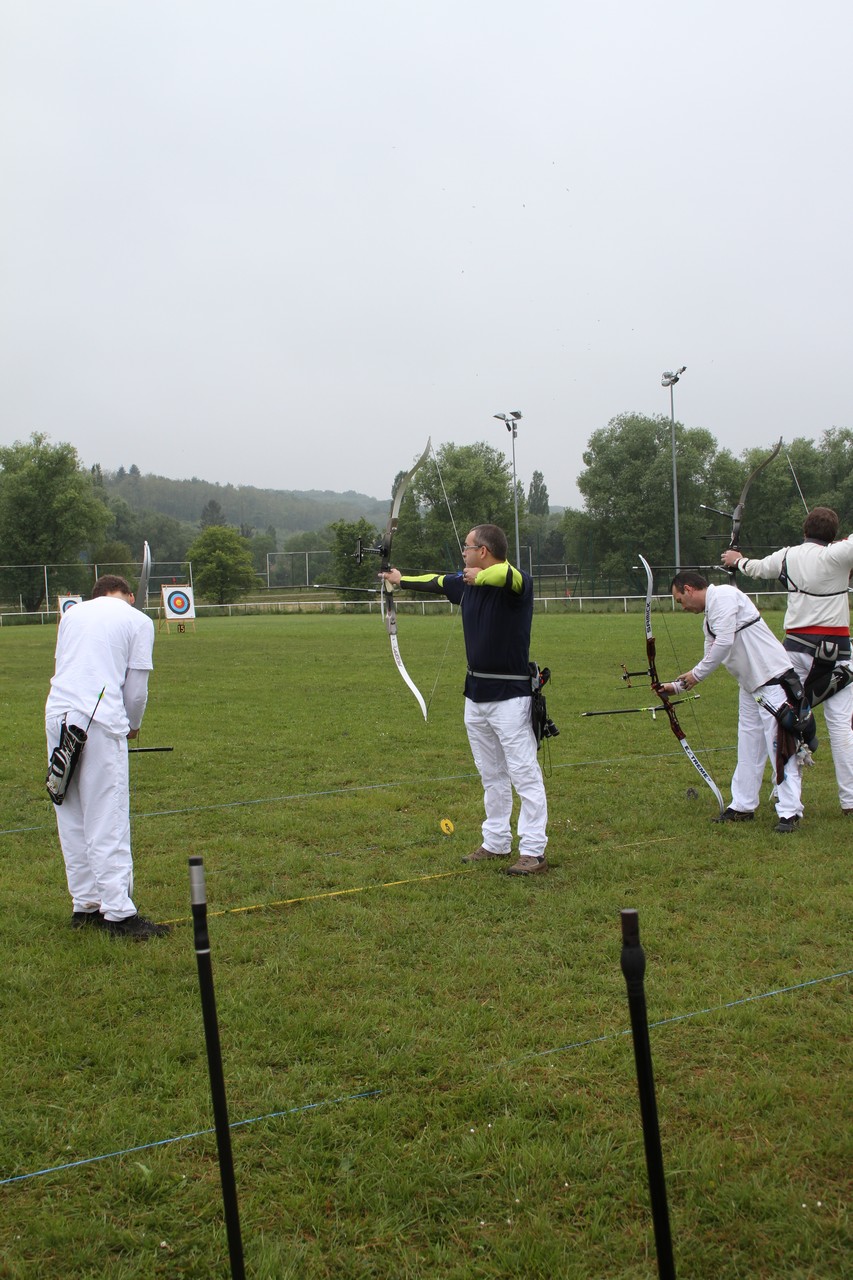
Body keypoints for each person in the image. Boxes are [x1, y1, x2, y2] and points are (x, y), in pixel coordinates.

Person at [381, 524, 548, 874]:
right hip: (475, 697)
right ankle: (497, 842)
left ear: (483, 551)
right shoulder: (465, 584)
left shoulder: (517, 585)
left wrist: (477, 578)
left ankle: (532, 850)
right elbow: (436, 581)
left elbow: (506, 573)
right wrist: (399, 579)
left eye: (467, 548)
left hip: (511, 697)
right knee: (491, 774)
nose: (463, 553)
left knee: (524, 773)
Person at [45, 575, 170, 939]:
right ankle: (118, 913)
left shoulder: (72, 615)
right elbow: (136, 689)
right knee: (108, 814)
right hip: (98, 720)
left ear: (95, 595)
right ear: (130, 596)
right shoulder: (137, 620)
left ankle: (85, 905)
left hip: (58, 716)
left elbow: (68, 668)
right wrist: (132, 725)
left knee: (72, 811)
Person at [721, 506, 853, 816]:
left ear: (805, 531)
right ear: (832, 536)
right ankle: (850, 802)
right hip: (837, 654)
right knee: (842, 728)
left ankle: (782, 801)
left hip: (795, 651)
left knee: (786, 721)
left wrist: (735, 560)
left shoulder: (787, 555)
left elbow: (755, 567)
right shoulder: (839, 554)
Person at [660, 571, 805, 833]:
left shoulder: (725, 597)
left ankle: (790, 812)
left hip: (771, 680)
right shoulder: (710, 617)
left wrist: (694, 675)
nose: (681, 606)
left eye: (679, 599)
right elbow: (711, 653)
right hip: (750, 685)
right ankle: (742, 805)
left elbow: (724, 643)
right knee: (748, 744)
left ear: (689, 589)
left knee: (779, 745)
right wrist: (677, 687)